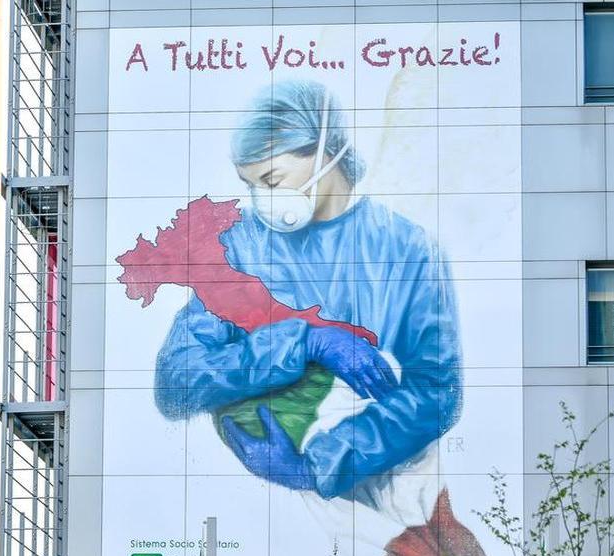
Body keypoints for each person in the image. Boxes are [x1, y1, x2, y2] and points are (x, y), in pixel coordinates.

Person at [154, 80, 462, 504]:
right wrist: (301, 341)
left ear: (324, 151)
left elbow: (436, 391)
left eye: (272, 178)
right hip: (253, 509)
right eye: (251, 184)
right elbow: (177, 382)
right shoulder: (242, 248)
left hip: (393, 502)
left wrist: (323, 463)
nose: (262, 198)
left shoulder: (409, 250)